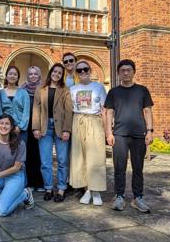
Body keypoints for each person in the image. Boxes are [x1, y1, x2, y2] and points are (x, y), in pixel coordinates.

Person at [105, 59, 154, 213]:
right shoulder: (114, 92)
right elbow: (109, 113)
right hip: (119, 134)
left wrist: (150, 131)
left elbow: (147, 111)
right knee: (119, 167)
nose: (125, 73)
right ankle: (119, 196)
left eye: (128, 70)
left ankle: (137, 198)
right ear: (119, 73)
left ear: (134, 72)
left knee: (138, 168)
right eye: (122, 70)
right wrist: (108, 132)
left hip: (139, 134)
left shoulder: (142, 90)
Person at [0, 114, 34, 216]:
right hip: (2, 177)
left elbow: (16, 168)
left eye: (7, 124)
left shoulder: (20, 143)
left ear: (12, 127)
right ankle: (7, 195)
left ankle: (24, 194)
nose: (4, 126)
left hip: (16, 177)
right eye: (1, 123)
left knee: (1, 211)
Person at [32, 63, 72, 202]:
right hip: (44, 128)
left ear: (62, 75)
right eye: (55, 71)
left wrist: (67, 129)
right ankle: (48, 188)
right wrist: (35, 127)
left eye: (60, 73)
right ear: (51, 72)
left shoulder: (65, 90)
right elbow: (36, 110)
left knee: (62, 160)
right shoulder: (40, 89)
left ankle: (61, 189)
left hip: (61, 128)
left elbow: (68, 111)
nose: (56, 74)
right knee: (45, 161)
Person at [69, 60, 107, 206]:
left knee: (96, 156)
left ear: (90, 71)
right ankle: (87, 189)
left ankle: (95, 191)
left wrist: (107, 130)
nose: (83, 72)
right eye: (79, 70)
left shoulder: (98, 87)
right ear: (77, 73)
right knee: (81, 157)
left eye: (85, 69)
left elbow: (104, 109)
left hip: (94, 120)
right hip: (78, 121)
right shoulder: (73, 89)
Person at [20, 66, 44, 192]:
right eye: (30, 74)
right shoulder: (22, 89)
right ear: (27, 75)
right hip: (25, 126)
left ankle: (39, 182)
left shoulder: (43, 89)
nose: (33, 76)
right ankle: (29, 182)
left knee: (39, 154)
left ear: (39, 75)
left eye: (35, 74)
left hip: (40, 125)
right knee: (27, 154)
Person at [0, 66, 30, 143]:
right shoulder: (0, 93)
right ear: (6, 76)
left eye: (15, 74)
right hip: (4, 129)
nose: (12, 76)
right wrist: (3, 125)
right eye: (10, 74)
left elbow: (26, 112)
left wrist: (20, 127)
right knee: (6, 152)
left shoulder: (23, 92)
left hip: (20, 129)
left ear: (18, 77)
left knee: (20, 152)